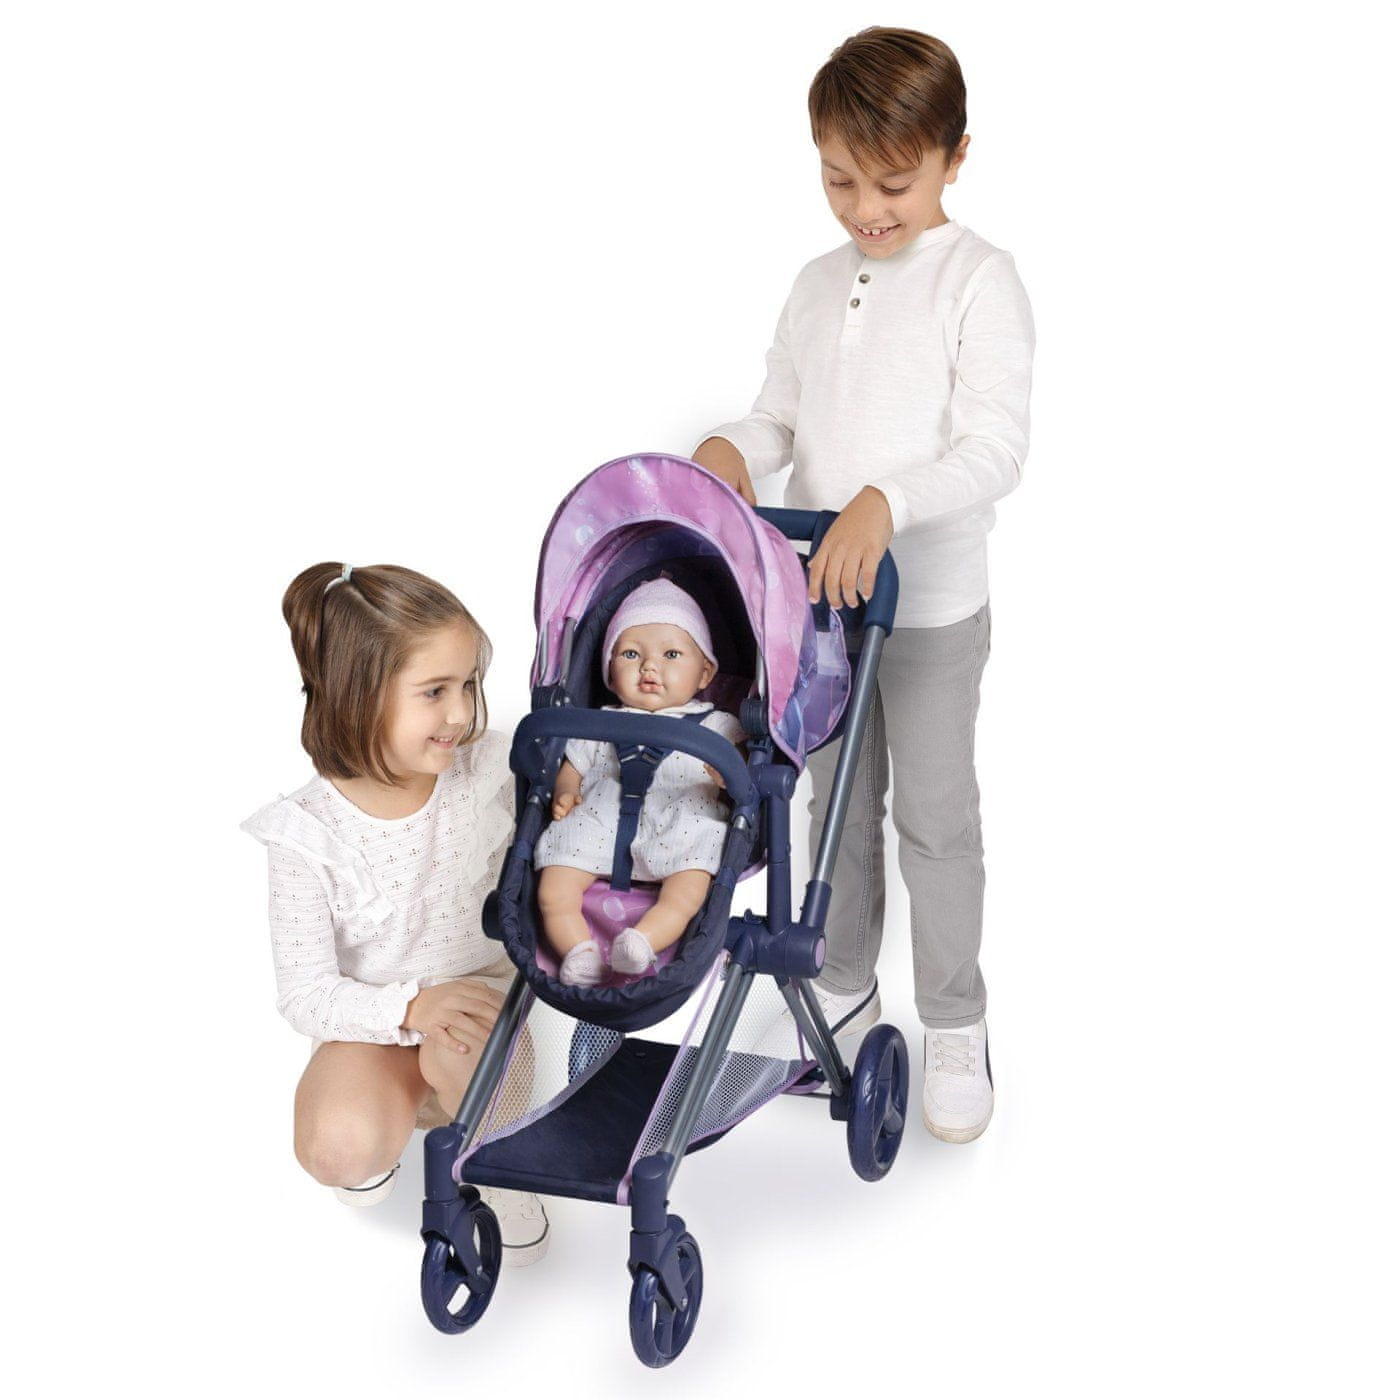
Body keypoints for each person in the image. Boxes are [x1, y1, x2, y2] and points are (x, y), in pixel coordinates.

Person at [691, 28, 1034, 1143]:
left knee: (933, 819)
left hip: (927, 611)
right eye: (840, 180)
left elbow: (995, 448)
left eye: (893, 183)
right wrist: (735, 446)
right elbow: (781, 416)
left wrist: (884, 499)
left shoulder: (978, 280)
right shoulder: (814, 284)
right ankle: (842, 980)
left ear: (953, 157)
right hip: (824, 613)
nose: (866, 209)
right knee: (830, 807)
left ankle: (955, 1017)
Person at [242, 562, 548, 1264]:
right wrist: (409, 1009)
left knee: (462, 1043)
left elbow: (573, 800)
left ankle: (496, 1158)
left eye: (468, 684)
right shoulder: (305, 835)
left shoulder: (489, 770)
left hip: (476, 1003)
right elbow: (305, 994)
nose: (461, 713)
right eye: (435, 691)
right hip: (379, 1020)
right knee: (337, 1150)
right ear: (357, 697)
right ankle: (396, 1109)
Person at [535, 579, 745, 985]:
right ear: (610, 674)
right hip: (601, 819)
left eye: (671, 654)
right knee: (554, 884)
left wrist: (729, 772)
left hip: (682, 821)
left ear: (705, 672)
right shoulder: (598, 722)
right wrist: (566, 790)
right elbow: (573, 765)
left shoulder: (718, 724)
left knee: (689, 888)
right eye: (631, 654)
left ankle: (642, 942)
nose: (649, 666)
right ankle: (577, 950)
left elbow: (740, 771)